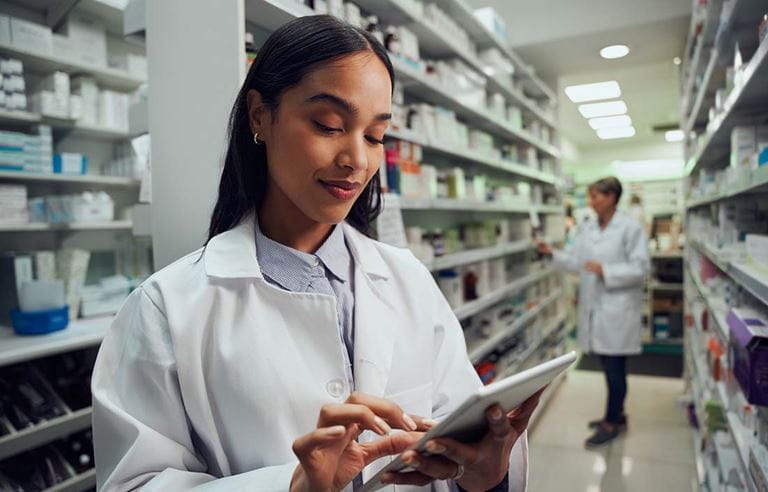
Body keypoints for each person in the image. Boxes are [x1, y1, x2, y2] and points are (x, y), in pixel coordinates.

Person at [91, 15, 540, 492]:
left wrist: (486, 475)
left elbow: (456, 444)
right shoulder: (167, 307)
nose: (357, 160)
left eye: (374, 135)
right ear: (260, 116)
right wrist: (292, 487)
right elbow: (132, 484)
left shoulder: (407, 279)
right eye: (328, 125)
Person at [537, 177, 649, 448]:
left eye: (596, 196)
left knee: (615, 371)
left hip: (617, 312)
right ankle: (616, 415)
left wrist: (606, 271)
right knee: (610, 369)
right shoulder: (587, 228)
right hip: (596, 309)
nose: (591, 202)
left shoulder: (630, 229)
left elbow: (641, 269)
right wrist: (552, 254)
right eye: (590, 197)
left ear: (611, 197)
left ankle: (612, 423)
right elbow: (577, 263)